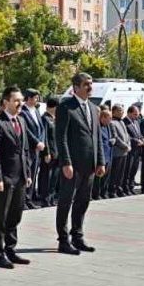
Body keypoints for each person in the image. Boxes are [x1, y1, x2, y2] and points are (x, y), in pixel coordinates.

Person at [55, 73, 105, 255]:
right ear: (76, 87)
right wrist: (66, 162)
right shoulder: (66, 107)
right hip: (73, 166)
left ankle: (78, 236)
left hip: (90, 166)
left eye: (91, 84)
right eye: (86, 85)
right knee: (66, 202)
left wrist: (100, 161)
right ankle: (63, 240)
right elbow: (61, 138)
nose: (90, 88)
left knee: (83, 202)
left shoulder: (93, 107)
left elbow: (97, 136)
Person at [0, 86, 32, 269]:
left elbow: (25, 150)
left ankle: (11, 249)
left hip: (20, 177)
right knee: (1, 217)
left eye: (21, 100)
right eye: (16, 100)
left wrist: (27, 173)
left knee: (16, 215)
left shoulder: (21, 120)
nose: (20, 103)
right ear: (6, 102)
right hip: (5, 178)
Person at [19, 89, 47, 208]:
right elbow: (26, 131)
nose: (37, 100)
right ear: (29, 98)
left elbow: (41, 128)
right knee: (26, 174)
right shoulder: (23, 112)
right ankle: (22, 200)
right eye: (35, 98)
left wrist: (42, 142)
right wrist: (36, 142)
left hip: (37, 149)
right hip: (29, 148)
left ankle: (29, 198)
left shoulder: (35, 111)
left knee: (34, 173)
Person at [37, 96, 59, 206]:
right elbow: (44, 137)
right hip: (49, 153)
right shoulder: (45, 118)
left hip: (57, 152)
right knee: (47, 177)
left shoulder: (55, 118)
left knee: (54, 177)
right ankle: (45, 199)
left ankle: (51, 197)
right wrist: (46, 152)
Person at [105, 106, 130, 198]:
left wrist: (128, 144)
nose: (122, 112)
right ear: (114, 112)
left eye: (122, 111)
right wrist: (125, 146)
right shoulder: (112, 123)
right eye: (119, 111)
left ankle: (118, 188)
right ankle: (112, 190)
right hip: (117, 152)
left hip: (125, 152)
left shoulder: (122, 122)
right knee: (115, 173)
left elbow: (126, 135)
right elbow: (116, 137)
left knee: (121, 173)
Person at [123, 105, 144, 195]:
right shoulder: (124, 122)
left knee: (134, 170)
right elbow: (127, 136)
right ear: (129, 113)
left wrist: (143, 139)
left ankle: (131, 186)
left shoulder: (136, 122)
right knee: (128, 170)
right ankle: (125, 187)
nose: (137, 116)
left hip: (137, 150)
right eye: (135, 114)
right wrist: (136, 141)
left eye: (138, 114)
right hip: (130, 150)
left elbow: (139, 134)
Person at [93, 109, 114, 200]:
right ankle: (95, 194)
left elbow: (111, 136)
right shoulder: (97, 127)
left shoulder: (108, 126)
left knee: (106, 177)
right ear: (103, 117)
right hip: (101, 156)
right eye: (109, 118)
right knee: (98, 178)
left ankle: (103, 192)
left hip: (108, 155)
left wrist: (113, 140)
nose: (111, 120)